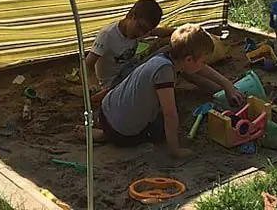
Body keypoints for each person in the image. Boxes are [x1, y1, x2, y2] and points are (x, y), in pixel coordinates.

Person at [93, 24, 245, 158]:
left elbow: (201, 69)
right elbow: (170, 114)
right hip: (122, 133)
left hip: (106, 111)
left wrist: (227, 85)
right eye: (203, 61)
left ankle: (104, 132)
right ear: (189, 60)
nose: (204, 65)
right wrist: (175, 149)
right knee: (161, 126)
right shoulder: (165, 72)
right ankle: (107, 136)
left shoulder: (164, 56)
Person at [70, 0, 174, 90]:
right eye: (140, 27)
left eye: (146, 31)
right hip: (113, 84)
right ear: (131, 15)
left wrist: (180, 31)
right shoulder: (108, 35)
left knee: (166, 45)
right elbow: (86, 64)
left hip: (129, 74)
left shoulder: (140, 31)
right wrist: (93, 85)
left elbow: (161, 32)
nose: (140, 34)